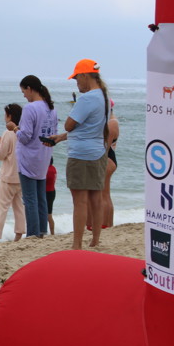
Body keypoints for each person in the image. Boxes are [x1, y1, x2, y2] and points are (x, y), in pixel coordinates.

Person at [48, 59, 109, 249]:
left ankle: (77, 244)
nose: (76, 83)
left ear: (84, 75)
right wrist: (61, 138)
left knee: (80, 201)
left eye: (76, 79)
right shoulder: (104, 96)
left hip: (81, 154)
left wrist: (66, 129)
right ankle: (95, 239)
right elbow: (89, 128)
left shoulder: (86, 98)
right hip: (98, 151)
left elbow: (69, 124)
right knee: (96, 199)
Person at [13, 75, 58, 238]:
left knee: (30, 198)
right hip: (44, 156)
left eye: (24, 91)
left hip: (29, 157)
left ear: (29, 88)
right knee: (41, 197)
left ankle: (32, 233)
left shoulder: (30, 108)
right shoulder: (51, 108)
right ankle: (42, 231)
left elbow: (25, 136)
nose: (24, 95)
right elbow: (54, 135)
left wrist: (15, 129)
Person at [0, 103, 26, 243]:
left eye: (5, 114)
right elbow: (14, 147)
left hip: (8, 177)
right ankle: (19, 235)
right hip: (21, 176)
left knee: (1, 209)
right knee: (19, 208)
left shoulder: (8, 132)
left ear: (10, 116)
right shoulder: (23, 132)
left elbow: (0, 155)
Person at [46, 157, 58, 235]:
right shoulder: (53, 168)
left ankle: (47, 232)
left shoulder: (47, 170)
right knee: (49, 213)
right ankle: (52, 233)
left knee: (48, 215)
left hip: (47, 193)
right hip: (52, 191)